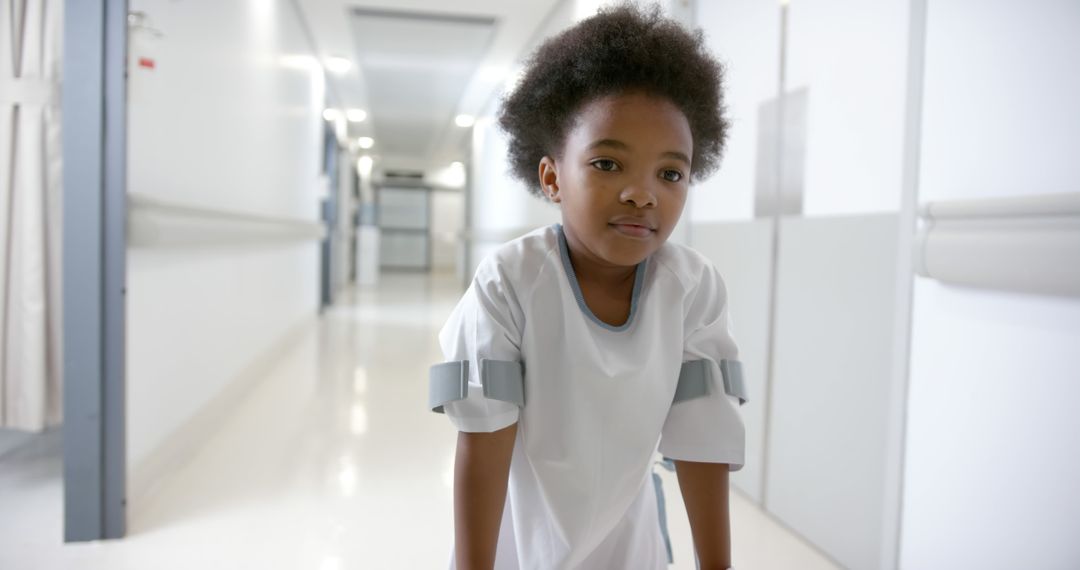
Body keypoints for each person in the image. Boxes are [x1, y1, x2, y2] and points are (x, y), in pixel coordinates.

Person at [428, 4, 747, 569]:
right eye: (607, 164)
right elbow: (482, 447)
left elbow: (704, 442)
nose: (642, 194)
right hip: (522, 543)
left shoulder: (692, 289)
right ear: (552, 177)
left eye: (670, 173)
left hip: (630, 544)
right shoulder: (511, 282)